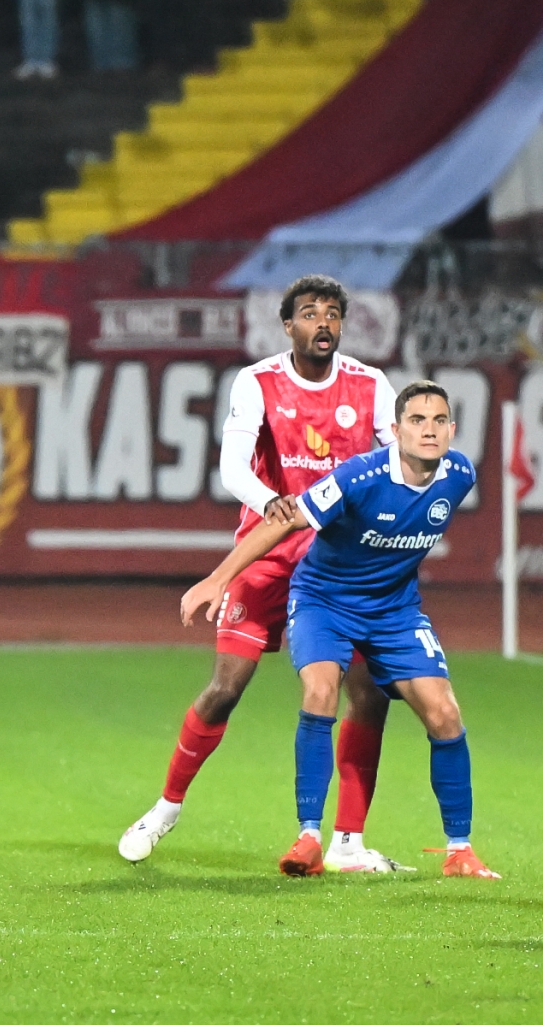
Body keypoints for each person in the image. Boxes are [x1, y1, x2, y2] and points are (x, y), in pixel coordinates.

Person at [119, 275, 403, 874]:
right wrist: (272, 501)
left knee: (369, 693)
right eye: (310, 313)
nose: (323, 323)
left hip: (337, 563)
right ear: (288, 325)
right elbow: (232, 467)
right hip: (268, 553)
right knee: (226, 686)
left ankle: (347, 842)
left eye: (333, 313)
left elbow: (397, 463)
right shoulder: (258, 382)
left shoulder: (371, 385)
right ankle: (166, 808)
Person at [180, 382, 498, 880]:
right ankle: (309, 838)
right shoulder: (359, 476)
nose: (429, 430)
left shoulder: (459, 475)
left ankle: (459, 851)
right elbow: (285, 521)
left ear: (453, 430)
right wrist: (218, 578)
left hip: (394, 611)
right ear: (394, 430)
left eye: (439, 421)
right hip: (323, 602)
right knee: (321, 691)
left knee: (444, 712)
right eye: (417, 420)